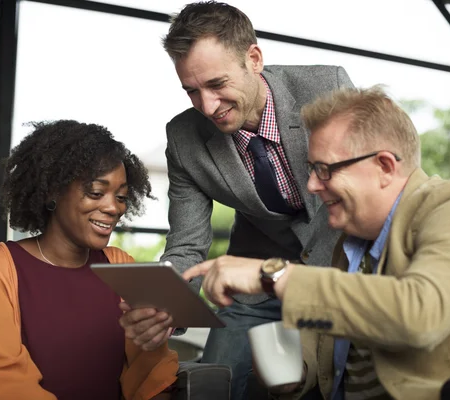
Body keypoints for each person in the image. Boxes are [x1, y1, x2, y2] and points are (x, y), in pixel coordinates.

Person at [182, 86, 450, 399]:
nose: (312, 185)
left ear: (384, 167)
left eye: (324, 170)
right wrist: (296, 373)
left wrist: (272, 274)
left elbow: (420, 314)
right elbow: (324, 337)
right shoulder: (349, 245)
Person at [118, 2, 354, 399]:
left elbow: (374, 187)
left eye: (216, 84)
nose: (207, 106)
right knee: (212, 381)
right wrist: (164, 304)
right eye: (192, 91)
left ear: (254, 58)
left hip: (341, 274)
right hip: (256, 283)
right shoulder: (184, 139)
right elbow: (187, 245)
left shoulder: (327, 87)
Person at [0, 120, 178, 400]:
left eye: (121, 196)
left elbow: (152, 371)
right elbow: (1, 379)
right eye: (96, 193)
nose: (113, 208)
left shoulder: (120, 266)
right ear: (52, 191)